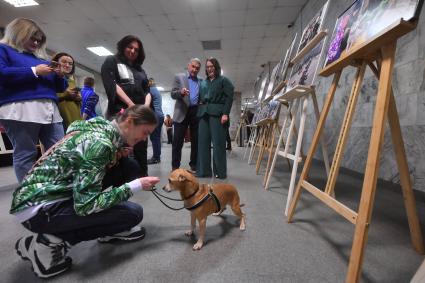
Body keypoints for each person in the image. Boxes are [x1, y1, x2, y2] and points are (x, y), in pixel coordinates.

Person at [11, 105, 160, 278]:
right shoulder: (100, 143)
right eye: (145, 133)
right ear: (130, 121)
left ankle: (104, 227)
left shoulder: (97, 126)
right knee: (132, 214)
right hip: (39, 211)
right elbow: (86, 206)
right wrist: (135, 186)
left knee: (129, 166)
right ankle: (45, 245)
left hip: (39, 197)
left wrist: (117, 152)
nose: (144, 139)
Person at [0, 18, 67, 183]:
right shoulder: (3, 49)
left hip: (49, 109)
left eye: (39, 39)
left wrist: (59, 75)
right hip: (20, 109)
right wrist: (34, 71)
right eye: (33, 38)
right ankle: (30, 195)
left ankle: (55, 188)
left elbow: (60, 87)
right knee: (25, 153)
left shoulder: (40, 59)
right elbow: (2, 74)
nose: (36, 42)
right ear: (19, 33)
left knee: (60, 151)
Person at [101, 35, 152, 176]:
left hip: (139, 113)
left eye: (136, 49)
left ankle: (143, 178)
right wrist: (131, 105)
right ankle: (121, 182)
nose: (133, 51)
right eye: (130, 47)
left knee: (141, 147)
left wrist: (145, 107)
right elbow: (112, 84)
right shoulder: (112, 61)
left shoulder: (140, 70)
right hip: (120, 113)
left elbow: (147, 90)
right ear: (123, 46)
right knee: (120, 149)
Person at [197, 57, 234, 179]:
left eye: (211, 66)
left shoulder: (224, 80)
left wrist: (225, 113)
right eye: (207, 67)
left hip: (218, 115)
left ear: (216, 67)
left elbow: (229, 97)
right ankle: (204, 171)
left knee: (218, 144)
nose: (209, 69)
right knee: (202, 143)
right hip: (203, 114)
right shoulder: (203, 82)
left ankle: (220, 172)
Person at [171, 58, 201, 172]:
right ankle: (175, 167)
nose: (194, 69)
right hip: (181, 112)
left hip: (195, 112)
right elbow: (173, 94)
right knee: (177, 142)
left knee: (196, 141)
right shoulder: (179, 77)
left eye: (197, 68)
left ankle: (194, 165)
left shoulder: (201, 81)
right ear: (188, 66)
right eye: (193, 67)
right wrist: (181, 93)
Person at [52, 52, 82, 130]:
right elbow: (48, 97)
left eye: (70, 63)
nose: (67, 65)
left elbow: (77, 102)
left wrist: (78, 98)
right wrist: (66, 95)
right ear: (56, 62)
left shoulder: (72, 81)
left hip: (75, 119)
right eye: (64, 62)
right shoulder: (50, 77)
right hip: (58, 119)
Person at [147, 77, 164, 164]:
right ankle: (157, 156)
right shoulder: (156, 90)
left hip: (155, 115)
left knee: (154, 137)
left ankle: (156, 157)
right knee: (157, 137)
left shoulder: (150, 90)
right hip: (160, 115)